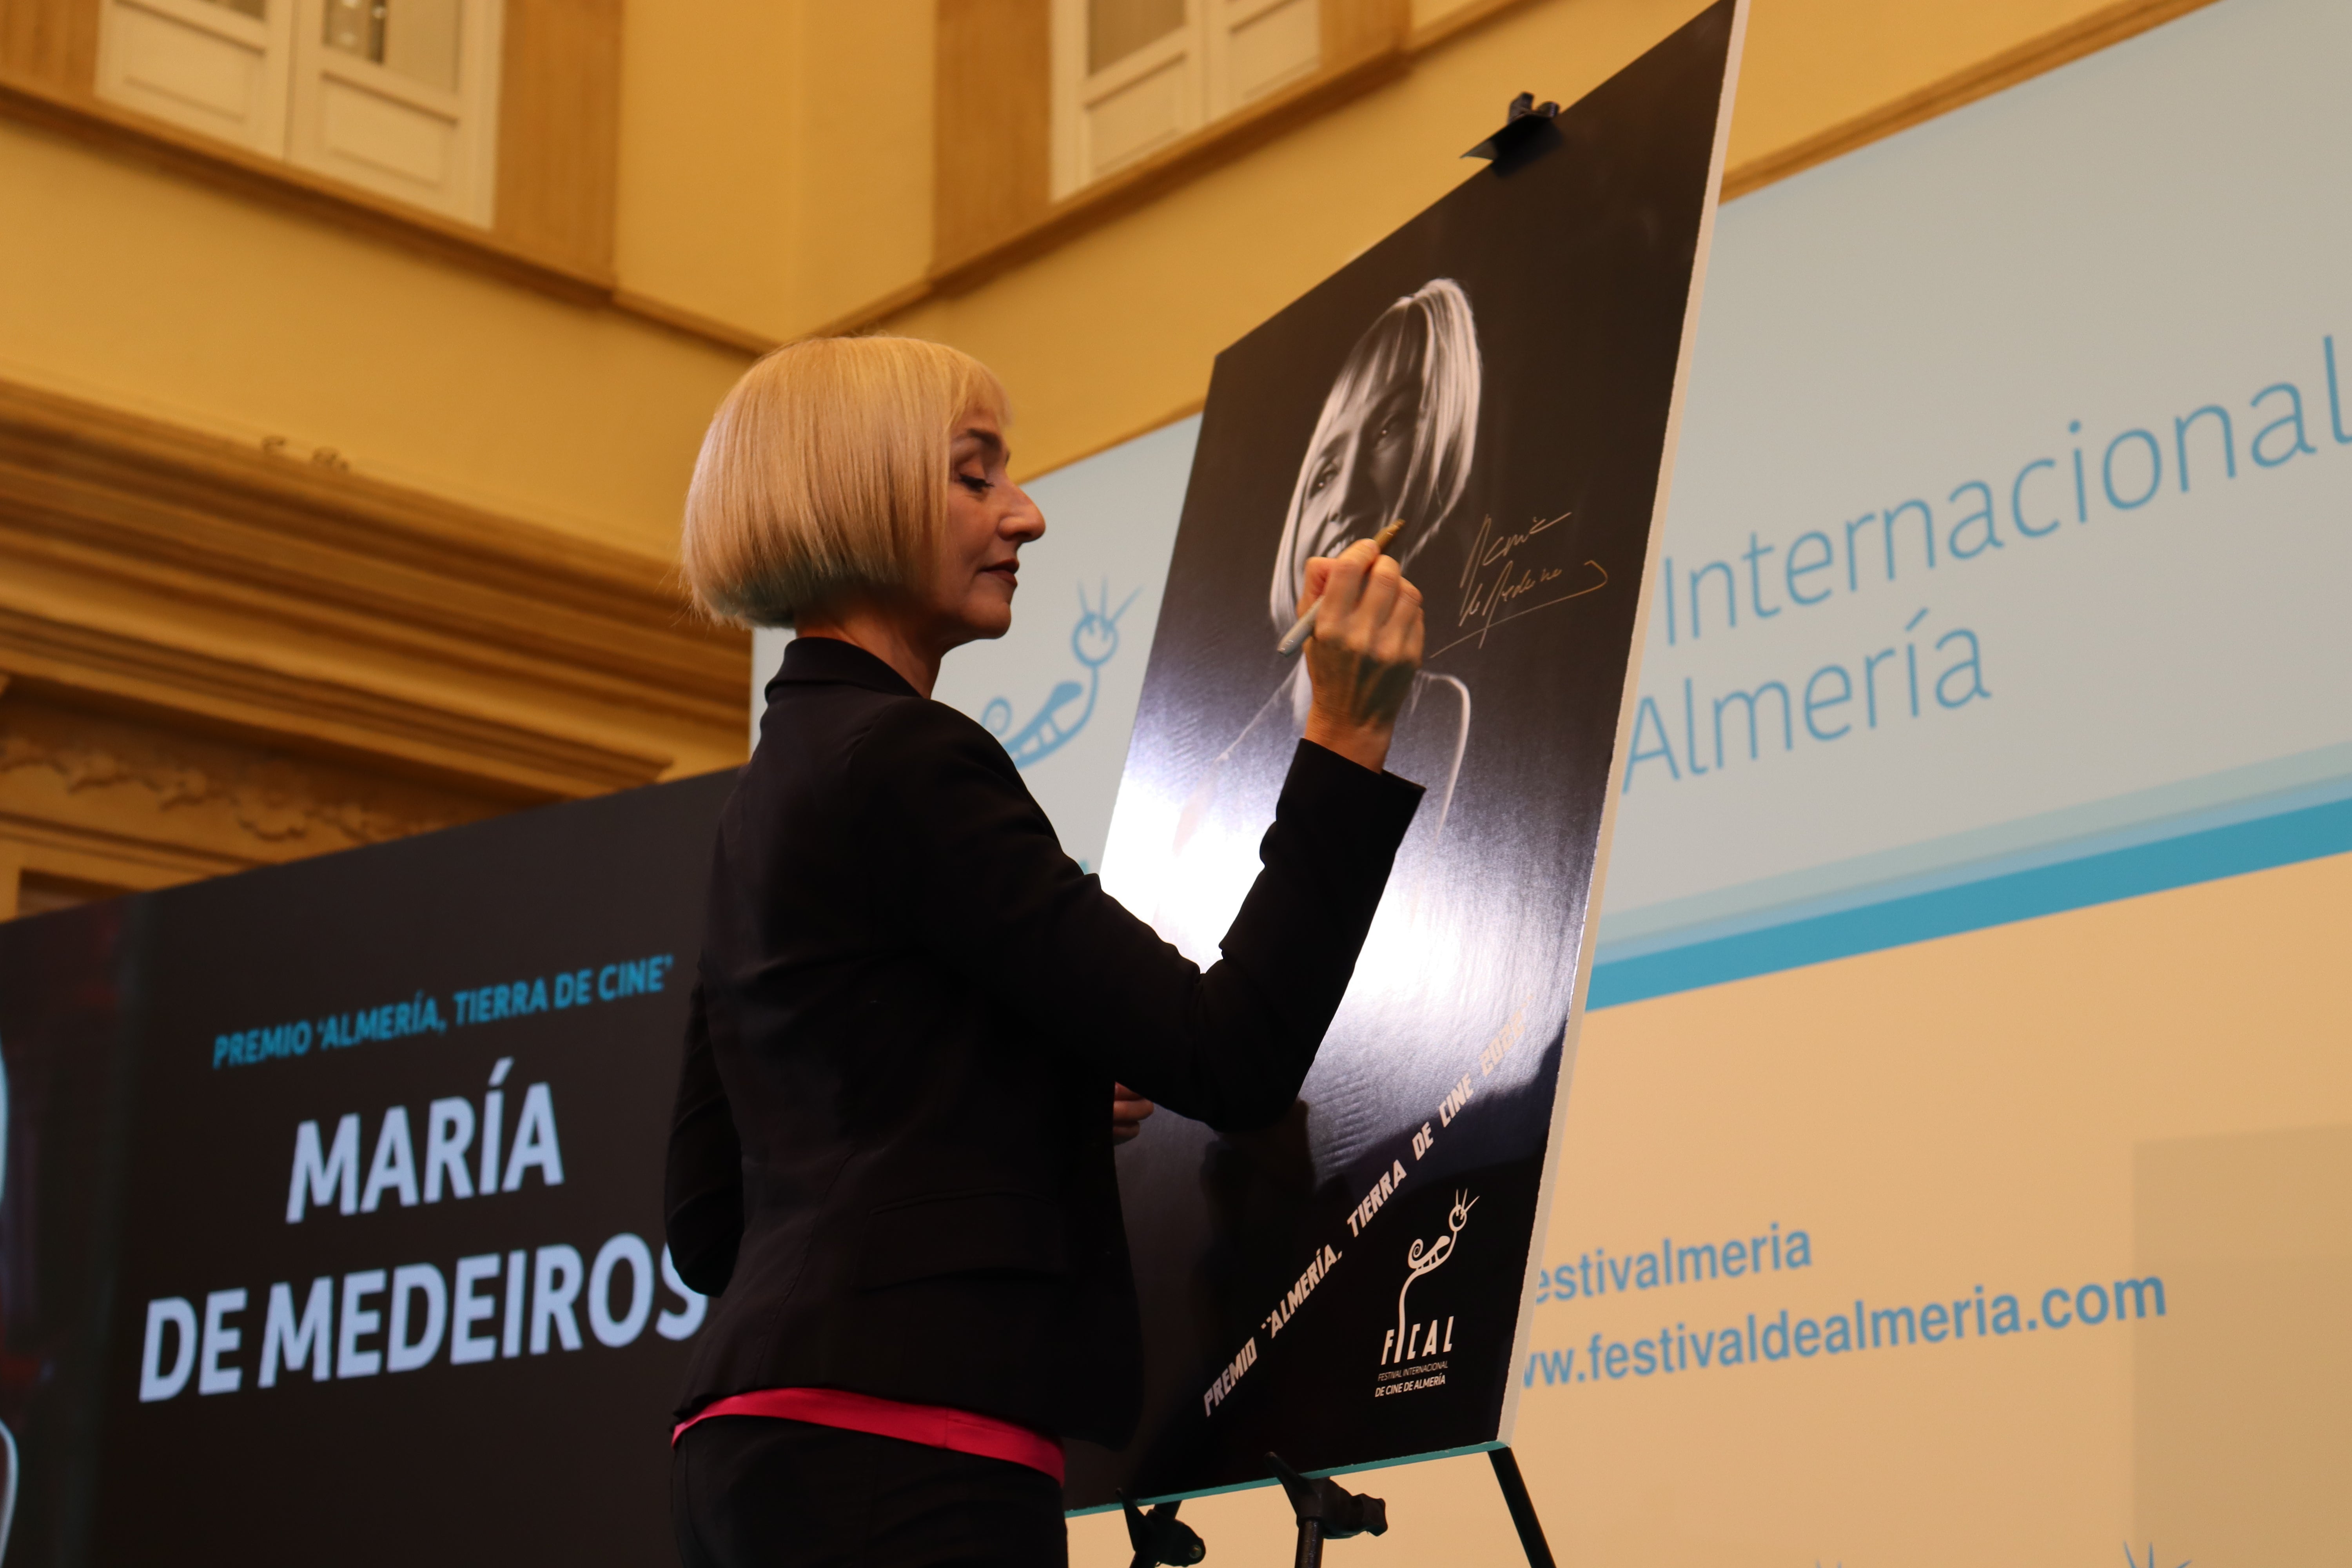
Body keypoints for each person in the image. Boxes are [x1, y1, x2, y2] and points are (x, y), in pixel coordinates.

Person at [663, 334, 1429, 1568]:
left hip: (747, 1456)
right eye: (977, 478)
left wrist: (1032, 1086)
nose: (1026, 515)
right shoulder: (912, 761)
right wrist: (1344, 743)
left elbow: (712, 1224)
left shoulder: (765, 800)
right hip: (915, 1463)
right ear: (851, 493)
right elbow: (1230, 1056)